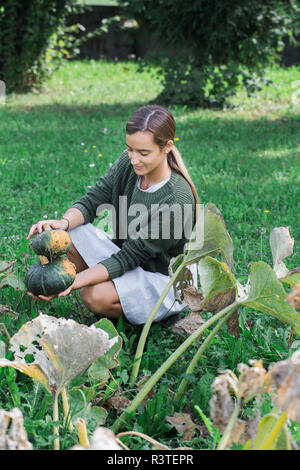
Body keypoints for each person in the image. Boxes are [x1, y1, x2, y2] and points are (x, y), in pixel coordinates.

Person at [27, 105, 201, 325]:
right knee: (65, 235)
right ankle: (122, 296)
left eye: (143, 153)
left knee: (94, 296)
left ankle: (158, 314)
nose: (134, 159)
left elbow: (127, 258)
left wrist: (71, 282)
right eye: (130, 149)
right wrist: (62, 224)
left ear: (167, 147)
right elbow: (93, 200)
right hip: (129, 258)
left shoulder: (177, 199)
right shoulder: (130, 163)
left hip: (166, 281)